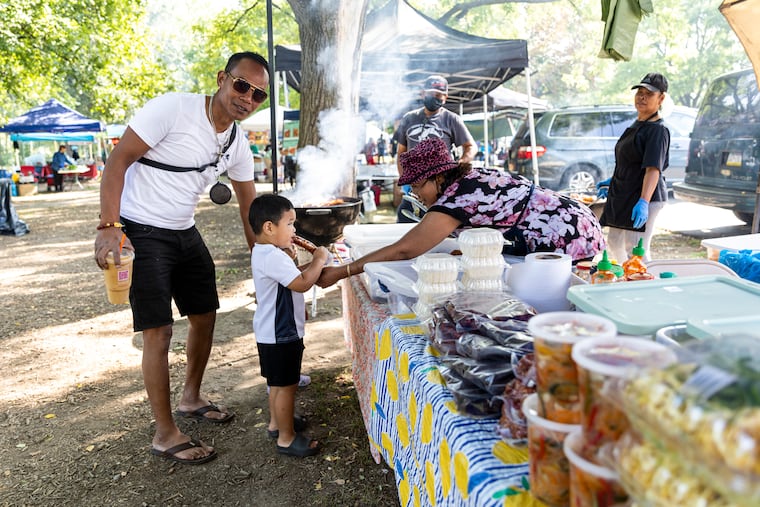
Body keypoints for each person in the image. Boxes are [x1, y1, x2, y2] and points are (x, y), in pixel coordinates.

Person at [93, 51, 268, 465]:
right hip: (140, 227)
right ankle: (165, 432)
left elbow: (249, 209)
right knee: (158, 331)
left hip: (183, 229)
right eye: (242, 85)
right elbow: (117, 162)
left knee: (205, 314)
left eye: (258, 95)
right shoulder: (173, 108)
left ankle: (191, 398)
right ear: (223, 78)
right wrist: (109, 228)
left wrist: (264, 263)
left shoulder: (237, 142)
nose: (247, 97)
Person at [317, 138, 605, 288]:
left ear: (437, 177)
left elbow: (405, 250)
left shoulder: (459, 197)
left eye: (417, 185)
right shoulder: (465, 181)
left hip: (568, 234)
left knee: (561, 293)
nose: (415, 193)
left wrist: (343, 271)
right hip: (572, 221)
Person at [249, 194, 328, 457]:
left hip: (271, 333)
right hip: (282, 334)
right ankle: (286, 438)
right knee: (286, 386)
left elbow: (294, 276)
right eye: (291, 224)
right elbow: (303, 282)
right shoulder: (272, 256)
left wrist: (300, 261)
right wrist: (319, 258)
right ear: (269, 227)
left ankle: (276, 423)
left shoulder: (266, 252)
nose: (295, 230)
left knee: (278, 383)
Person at [597, 73, 670, 263]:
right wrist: (613, 181)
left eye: (649, 94)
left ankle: (641, 283)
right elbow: (631, 161)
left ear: (661, 98)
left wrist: (644, 202)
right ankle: (624, 278)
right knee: (613, 241)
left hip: (644, 196)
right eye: (640, 92)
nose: (642, 97)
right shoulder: (638, 124)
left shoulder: (658, 130)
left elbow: (653, 169)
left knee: (636, 248)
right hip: (625, 193)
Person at [393, 75, 476, 221]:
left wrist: (460, 165)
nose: (434, 98)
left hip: (439, 187)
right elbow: (401, 152)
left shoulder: (451, 119)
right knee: (406, 219)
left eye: (438, 95)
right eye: (430, 94)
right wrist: (405, 180)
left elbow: (471, 146)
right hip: (413, 185)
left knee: (437, 224)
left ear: (445, 97)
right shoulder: (409, 118)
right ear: (422, 93)